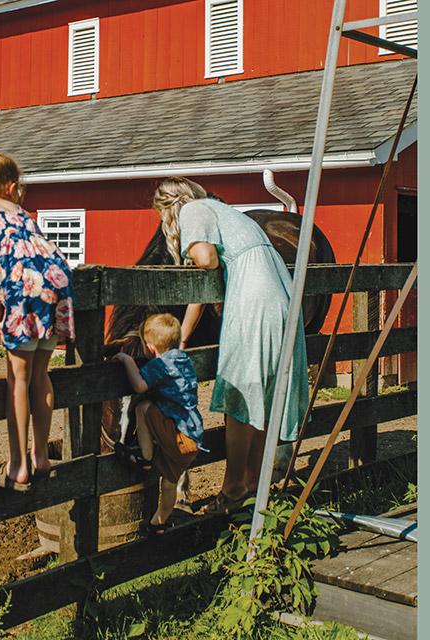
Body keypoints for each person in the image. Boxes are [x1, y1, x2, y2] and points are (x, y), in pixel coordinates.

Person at [152, 177, 309, 515]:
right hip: (280, 290)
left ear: (170, 207)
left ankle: (233, 486)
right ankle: (253, 482)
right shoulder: (227, 214)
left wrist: (189, 247)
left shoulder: (193, 210)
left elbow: (205, 259)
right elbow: (205, 283)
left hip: (253, 298)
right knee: (264, 392)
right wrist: (183, 336)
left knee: (239, 393)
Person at [0, 146, 76, 492]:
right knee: (41, 375)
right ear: (10, 186)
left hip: (25, 286)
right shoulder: (22, 212)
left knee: (18, 379)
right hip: (57, 282)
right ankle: (41, 456)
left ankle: (18, 465)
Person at [112, 313, 206, 533]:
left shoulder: (161, 364)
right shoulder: (184, 360)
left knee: (142, 407)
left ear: (151, 349)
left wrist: (128, 361)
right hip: (194, 439)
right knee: (170, 482)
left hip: (177, 436)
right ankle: (158, 522)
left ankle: (144, 456)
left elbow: (139, 386)